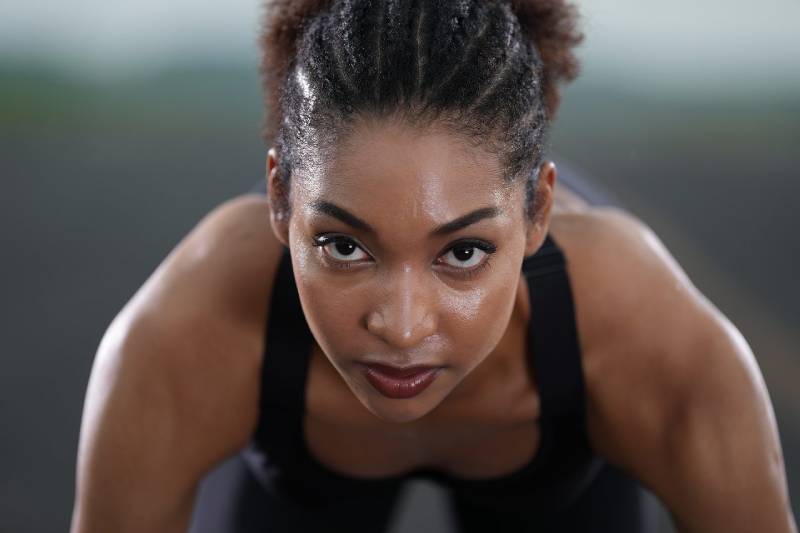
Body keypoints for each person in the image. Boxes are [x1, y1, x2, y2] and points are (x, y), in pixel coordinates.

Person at [70, 1, 798, 532]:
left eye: (462, 252)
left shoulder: (653, 343)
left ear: (537, 214)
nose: (403, 325)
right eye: (345, 246)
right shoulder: (180, 334)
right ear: (281, 199)